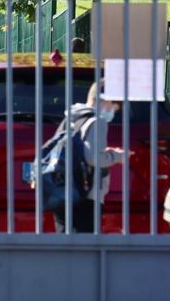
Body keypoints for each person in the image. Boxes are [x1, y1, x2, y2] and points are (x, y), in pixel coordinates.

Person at [49, 82, 126, 233]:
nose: (115, 111)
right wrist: (117, 156)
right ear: (106, 99)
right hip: (85, 194)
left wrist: (103, 152)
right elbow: (93, 158)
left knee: (64, 243)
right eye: (116, 105)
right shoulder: (97, 121)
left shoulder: (71, 117)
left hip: (62, 191)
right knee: (85, 247)